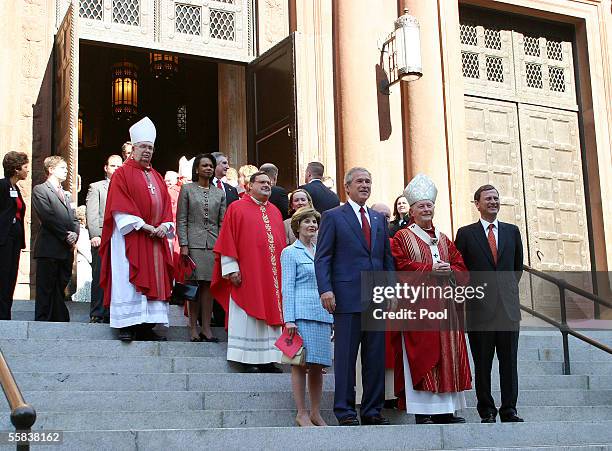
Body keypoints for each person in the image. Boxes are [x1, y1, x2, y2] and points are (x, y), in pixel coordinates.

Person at [314, 167, 394, 426]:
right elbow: (323, 257)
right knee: (346, 359)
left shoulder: (379, 219)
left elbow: (386, 259)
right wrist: (326, 289)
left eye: (368, 181)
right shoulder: (333, 216)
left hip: (376, 299)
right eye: (359, 181)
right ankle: (345, 411)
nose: (365, 185)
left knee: (375, 359)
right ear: (347, 187)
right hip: (346, 298)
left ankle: (372, 411)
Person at [390, 173, 471, 425]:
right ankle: (423, 412)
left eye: (429, 205)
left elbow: (461, 265)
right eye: (421, 206)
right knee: (422, 356)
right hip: (418, 307)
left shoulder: (444, 238)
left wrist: (451, 271)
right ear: (411, 211)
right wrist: (429, 271)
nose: (426, 209)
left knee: (449, 356)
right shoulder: (402, 237)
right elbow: (399, 265)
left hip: (446, 308)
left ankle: (446, 411)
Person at [99, 117, 174, 342]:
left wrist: (163, 226)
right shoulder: (121, 174)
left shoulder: (157, 176)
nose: (147, 151)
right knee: (128, 280)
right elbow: (118, 206)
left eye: (150, 148)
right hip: (129, 238)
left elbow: (167, 207)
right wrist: (144, 226)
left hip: (154, 238)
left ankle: (147, 326)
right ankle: (127, 325)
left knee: (154, 280)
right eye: (143, 147)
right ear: (133, 148)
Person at [455, 184, 524, 423]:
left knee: (509, 363)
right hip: (479, 311)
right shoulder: (465, 233)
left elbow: (517, 268)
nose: (493, 202)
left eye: (496, 198)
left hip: (507, 309)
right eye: (488, 199)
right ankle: (486, 409)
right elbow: (459, 269)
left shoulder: (512, 231)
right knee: (482, 364)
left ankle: (509, 409)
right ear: (477, 204)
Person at [211, 171, 286, 373]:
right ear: (249, 186)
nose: (266, 185)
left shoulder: (276, 212)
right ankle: (246, 358)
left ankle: (269, 359)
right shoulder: (236, 208)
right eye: (261, 182)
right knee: (248, 315)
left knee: (271, 314)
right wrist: (231, 268)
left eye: (268, 183)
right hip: (247, 274)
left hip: (272, 277)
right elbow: (227, 239)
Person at [281, 206, 332, 427]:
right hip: (300, 315)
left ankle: (315, 412)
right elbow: (287, 287)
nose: (312, 225)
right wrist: (289, 319)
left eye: (314, 221)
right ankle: (301, 412)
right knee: (299, 364)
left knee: (318, 366)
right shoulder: (290, 252)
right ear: (297, 226)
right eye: (307, 221)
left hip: (322, 313)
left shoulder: (321, 251)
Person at [177, 153, 226, 342]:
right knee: (193, 286)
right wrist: (184, 244)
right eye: (204, 165)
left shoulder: (219, 193)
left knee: (209, 287)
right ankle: (193, 328)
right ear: (196, 169)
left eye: (211, 166)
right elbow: (181, 219)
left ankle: (207, 328)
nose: (208, 168)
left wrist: (223, 246)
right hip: (193, 244)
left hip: (213, 244)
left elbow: (223, 222)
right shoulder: (187, 189)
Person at [32, 156, 79, 322]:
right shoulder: (41, 190)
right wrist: (65, 235)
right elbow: (47, 216)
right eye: (62, 168)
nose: (66, 171)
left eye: (66, 168)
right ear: (51, 169)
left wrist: (75, 233)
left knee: (60, 286)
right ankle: (43, 320)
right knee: (46, 287)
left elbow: (74, 218)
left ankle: (58, 318)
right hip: (49, 248)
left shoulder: (66, 194)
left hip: (65, 250)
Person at [86, 154, 122, 323]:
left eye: (118, 166)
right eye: (113, 166)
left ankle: (113, 311)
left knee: (117, 276)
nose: (116, 169)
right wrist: (94, 234)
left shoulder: (125, 187)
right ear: (106, 168)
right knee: (100, 274)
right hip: (102, 237)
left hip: (120, 238)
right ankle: (97, 312)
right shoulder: (96, 187)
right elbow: (92, 213)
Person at [0, 151, 29, 320]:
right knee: (3, 276)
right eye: (25, 167)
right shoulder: (2, 186)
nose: (28, 171)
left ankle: (6, 314)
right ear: (16, 169)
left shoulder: (16, 188)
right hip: (4, 239)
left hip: (15, 240)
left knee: (11, 277)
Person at [72, 206, 92, 303]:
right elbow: (84, 247)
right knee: (84, 285)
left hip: (84, 261)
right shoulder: (81, 231)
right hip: (83, 262)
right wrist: (92, 259)